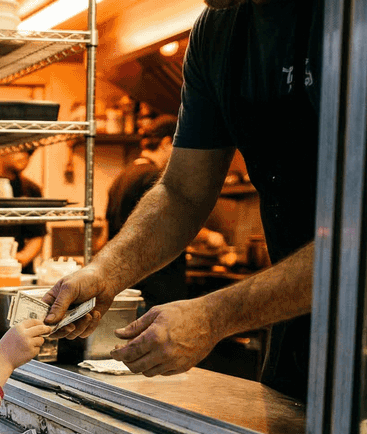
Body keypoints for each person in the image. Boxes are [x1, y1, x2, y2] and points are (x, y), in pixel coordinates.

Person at [43, 0, 321, 401]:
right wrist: (104, 274)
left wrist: (214, 315)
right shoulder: (217, 32)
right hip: (295, 329)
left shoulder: (362, 17)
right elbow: (181, 193)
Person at [97, 114, 187, 310]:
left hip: (128, 285)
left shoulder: (122, 177)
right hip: (155, 288)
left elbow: (105, 235)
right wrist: (210, 238)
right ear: (166, 143)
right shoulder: (156, 178)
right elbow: (179, 224)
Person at [0, 147, 47, 273]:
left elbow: (37, 235)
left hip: (19, 273)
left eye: (30, 152)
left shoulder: (31, 189)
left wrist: (19, 259)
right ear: (2, 149)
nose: (25, 155)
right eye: (20, 149)